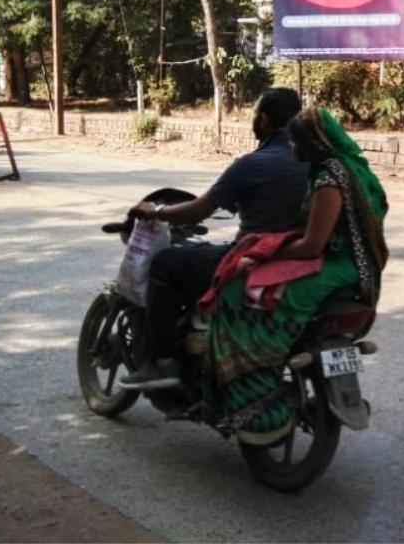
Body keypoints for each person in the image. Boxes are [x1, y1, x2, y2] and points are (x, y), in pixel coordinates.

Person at [197, 106, 389, 445]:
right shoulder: (351, 167)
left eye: (297, 141)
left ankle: (253, 392)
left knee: (236, 290)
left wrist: (260, 251)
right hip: (351, 267)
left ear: (314, 143)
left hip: (338, 270)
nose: (292, 147)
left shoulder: (329, 179)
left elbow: (311, 245)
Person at [118, 87, 310, 391]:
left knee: (166, 264)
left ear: (264, 118)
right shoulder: (314, 159)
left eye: (256, 115)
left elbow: (195, 211)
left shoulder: (252, 164)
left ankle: (160, 362)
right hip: (299, 262)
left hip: (252, 259)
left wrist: (156, 211)